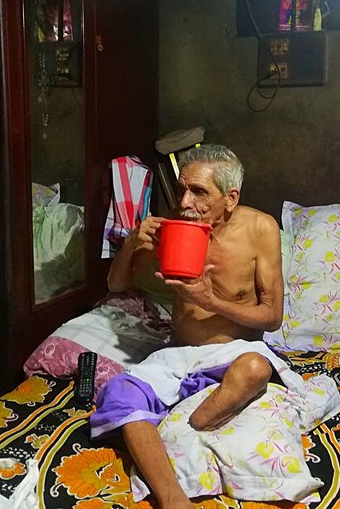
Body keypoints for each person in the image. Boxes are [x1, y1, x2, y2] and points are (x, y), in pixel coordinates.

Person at [91, 144, 287, 509]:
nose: (184, 202)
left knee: (256, 368)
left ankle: (192, 421)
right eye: (182, 189)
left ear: (230, 198)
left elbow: (273, 317)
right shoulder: (173, 225)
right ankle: (173, 500)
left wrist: (211, 302)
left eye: (199, 192)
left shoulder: (260, 229)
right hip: (180, 353)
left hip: (235, 353)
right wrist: (132, 243)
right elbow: (116, 286)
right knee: (121, 394)